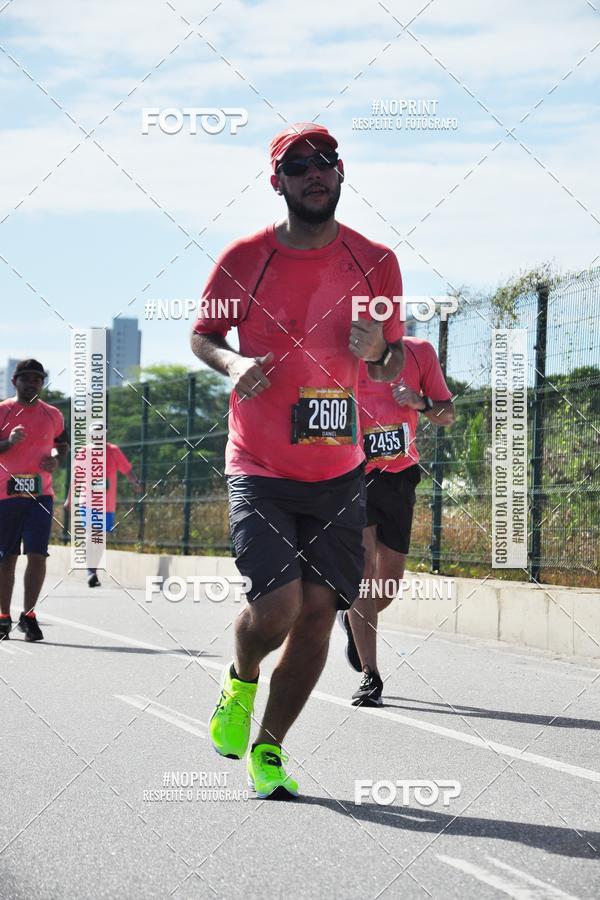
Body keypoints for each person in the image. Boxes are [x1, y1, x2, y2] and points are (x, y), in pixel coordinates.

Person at [191, 123, 405, 798]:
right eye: (298, 164)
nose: (315, 172)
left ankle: (270, 749)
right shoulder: (245, 258)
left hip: (339, 473)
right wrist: (234, 364)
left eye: (325, 161)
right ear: (276, 181)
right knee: (278, 606)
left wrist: (379, 351)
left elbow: (393, 361)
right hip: (260, 467)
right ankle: (241, 679)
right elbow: (203, 335)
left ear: (341, 173)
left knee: (316, 614)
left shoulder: (376, 261)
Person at [338, 336, 455, 706]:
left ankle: (352, 621)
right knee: (362, 572)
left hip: (399, 476)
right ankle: (371, 676)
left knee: (386, 587)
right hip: (352, 473)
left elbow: (447, 414)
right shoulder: (341, 350)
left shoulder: (419, 352)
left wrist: (421, 403)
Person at [0, 359, 69, 641]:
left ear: (42, 383)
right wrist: (9, 442)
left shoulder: (53, 414)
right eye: (26, 378)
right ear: (14, 381)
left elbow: (62, 445)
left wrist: (56, 460)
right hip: (6, 496)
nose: (31, 383)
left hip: (40, 495)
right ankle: (3, 617)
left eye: (37, 379)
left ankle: (28, 616)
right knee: (7, 558)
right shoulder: (3, 411)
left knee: (37, 555)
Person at [65, 432, 142, 587]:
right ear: (91, 436)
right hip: (87, 501)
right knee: (90, 534)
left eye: (101, 435)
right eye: (95, 435)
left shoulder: (114, 451)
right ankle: (90, 572)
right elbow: (76, 477)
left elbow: (127, 470)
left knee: (100, 539)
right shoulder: (84, 452)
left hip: (107, 505)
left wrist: (135, 482)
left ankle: (93, 571)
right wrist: (69, 499)